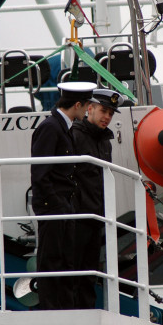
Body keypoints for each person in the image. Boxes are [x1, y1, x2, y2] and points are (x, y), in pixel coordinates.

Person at [30, 81, 96, 310]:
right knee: (51, 261)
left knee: (67, 261)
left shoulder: (62, 128)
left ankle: (66, 309)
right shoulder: (51, 127)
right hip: (53, 206)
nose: (88, 110)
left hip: (64, 205)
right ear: (77, 105)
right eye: (87, 105)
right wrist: (56, 204)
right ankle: (51, 310)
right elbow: (40, 173)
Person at [70, 89, 124, 309]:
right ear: (89, 108)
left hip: (96, 216)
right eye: (104, 111)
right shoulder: (74, 136)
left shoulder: (104, 142)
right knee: (74, 270)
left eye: (111, 113)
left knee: (91, 271)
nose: (107, 117)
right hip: (77, 216)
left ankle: (88, 311)